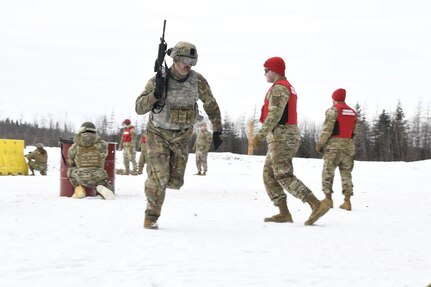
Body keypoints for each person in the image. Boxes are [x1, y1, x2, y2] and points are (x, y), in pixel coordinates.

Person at [135, 41, 223, 229]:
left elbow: (211, 105)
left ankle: (155, 185)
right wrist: (155, 95)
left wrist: (218, 129)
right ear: (175, 58)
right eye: (184, 59)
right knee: (159, 177)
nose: (188, 64)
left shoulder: (197, 81)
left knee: (174, 181)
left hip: (182, 136)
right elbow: (139, 108)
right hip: (158, 133)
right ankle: (151, 217)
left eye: (193, 60)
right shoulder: (159, 79)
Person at [253, 56, 330, 226]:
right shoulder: (284, 87)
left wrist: (259, 135)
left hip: (283, 136)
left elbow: (274, 115)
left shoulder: (280, 89)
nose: (264, 74)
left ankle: (316, 204)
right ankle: (283, 213)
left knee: (282, 173)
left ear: (275, 70)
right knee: (269, 174)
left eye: (266, 70)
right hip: (280, 135)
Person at [316, 88, 358, 211]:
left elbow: (327, 130)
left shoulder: (333, 111)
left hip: (333, 148)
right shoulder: (353, 112)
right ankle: (347, 201)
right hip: (348, 147)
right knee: (347, 174)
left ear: (334, 98)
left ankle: (328, 199)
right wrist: (348, 143)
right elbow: (355, 132)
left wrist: (320, 145)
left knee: (328, 173)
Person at [67, 122, 115, 200]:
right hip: (99, 175)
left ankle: (79, 189)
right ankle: (103, 188)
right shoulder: (102, 144)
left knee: (70, 170)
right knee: (102, 182)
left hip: (81, 176)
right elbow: (104, 156)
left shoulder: (75, 146)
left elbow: (71, 161)